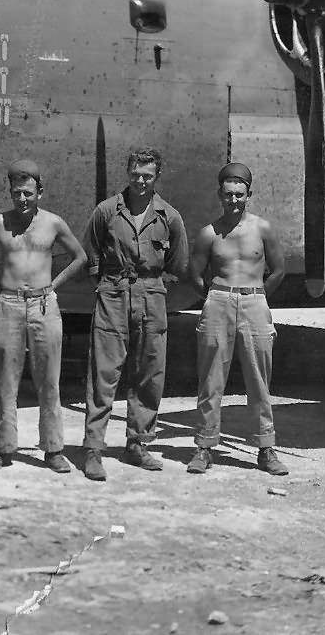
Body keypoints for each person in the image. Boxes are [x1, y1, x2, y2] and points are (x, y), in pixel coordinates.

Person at [0, 159, 86, 473]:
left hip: (44, 305)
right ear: (10, 192)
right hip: (8, 306)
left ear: (40, 193)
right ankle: (3, 448)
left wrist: (54, 285)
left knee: (49, 380)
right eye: (17, 193)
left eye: (28, 194)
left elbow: (80, 257)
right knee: (5, 380)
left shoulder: (53, 223)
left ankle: (53, 450)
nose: (22, 199)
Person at [80, 146, 189, 481]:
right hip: (113, 293)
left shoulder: (169, 216)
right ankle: (94, 449)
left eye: (147, 176)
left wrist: (152, 284)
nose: (140, 181)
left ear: (157, 177)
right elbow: (92, 249)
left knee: (149, 372)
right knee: (104, 372)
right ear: (127, 174)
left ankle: (138, 444)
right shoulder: (107, 211)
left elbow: (179, 263)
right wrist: (107, 282)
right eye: (135, 175)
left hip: (151, 296)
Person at [186, 163, 289, 477]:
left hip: (254, 302)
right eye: (228, 194)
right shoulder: (209, 233)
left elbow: (279, 269)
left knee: (259, 381)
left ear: (249, 194)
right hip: (218, 301)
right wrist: (216, 298)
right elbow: (194, 273)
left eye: (239, 195)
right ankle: (204, 447)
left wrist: (257, 295)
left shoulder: (263, 229)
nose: (233, 200)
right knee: (211, 379)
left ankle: (266, 449)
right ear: (219, 194)